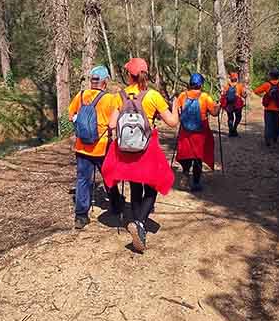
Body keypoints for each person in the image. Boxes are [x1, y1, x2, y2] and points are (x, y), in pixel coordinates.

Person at [102, 58, 178, 253]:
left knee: (136, 186)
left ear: (129, 75)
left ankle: (137, 223)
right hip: (147, 148)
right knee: (152, 187)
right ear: (146, 73)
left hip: (127, 151)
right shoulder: (153, 95)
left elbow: (111, 125)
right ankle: (140, 223)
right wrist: (176, 106)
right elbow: (172, 122)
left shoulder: (120, 95)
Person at [67, 66, 122, 229]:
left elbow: (71, 117)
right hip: (102, 146)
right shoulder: (110, 99)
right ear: (105, 82)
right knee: (109, 177)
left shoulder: (81, 95)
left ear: (92, 81)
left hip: (82, 146)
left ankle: (81, 216)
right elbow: (113, 124)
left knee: (83, 180)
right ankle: (116, 206)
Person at [174, 73, 220, 192]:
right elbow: (214, 113)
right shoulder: (205, 97)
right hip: (201, 130)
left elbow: (177, 111)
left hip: (185, 131)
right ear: (201, 84)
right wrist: (218, 106)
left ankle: (185, 175)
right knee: (198, 156)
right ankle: (196, 182)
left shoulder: (183, 96)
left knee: (186, 154)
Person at [253, 69, 279, 147]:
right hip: (278, 108)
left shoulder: (266, 84)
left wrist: (265, 92)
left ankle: (268, 140)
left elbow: (256, 91)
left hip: (268, 108)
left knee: (268, 124)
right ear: (278, 76)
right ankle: (275, 138)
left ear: (271, 76)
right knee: (276, 124)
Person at [220, 72, 246, 137]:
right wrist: (245, 95)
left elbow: (223, 95)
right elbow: (243, 95)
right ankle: (234, 129)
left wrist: (222, 104)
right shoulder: (239, 85)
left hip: (229, 105)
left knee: (230, 118)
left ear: (230, 78)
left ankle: (231, 131)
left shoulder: (227, 86)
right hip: (238, 105)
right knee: (238, 117)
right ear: (236, 78)